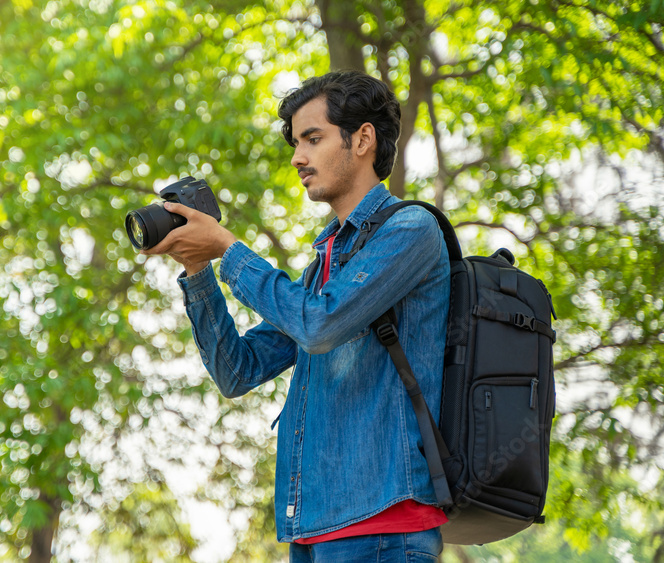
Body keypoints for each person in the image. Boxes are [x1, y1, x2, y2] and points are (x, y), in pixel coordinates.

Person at [143, 70, 450, 561]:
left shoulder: (411, 230)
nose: (298, 158)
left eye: (313, 138)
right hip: (311, 531)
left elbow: (320, 325)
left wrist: (228, 247)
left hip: (382, 529)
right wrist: (199, 268)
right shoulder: (320, 273)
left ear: (363, 139)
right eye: (296, 143)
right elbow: (237, 371)